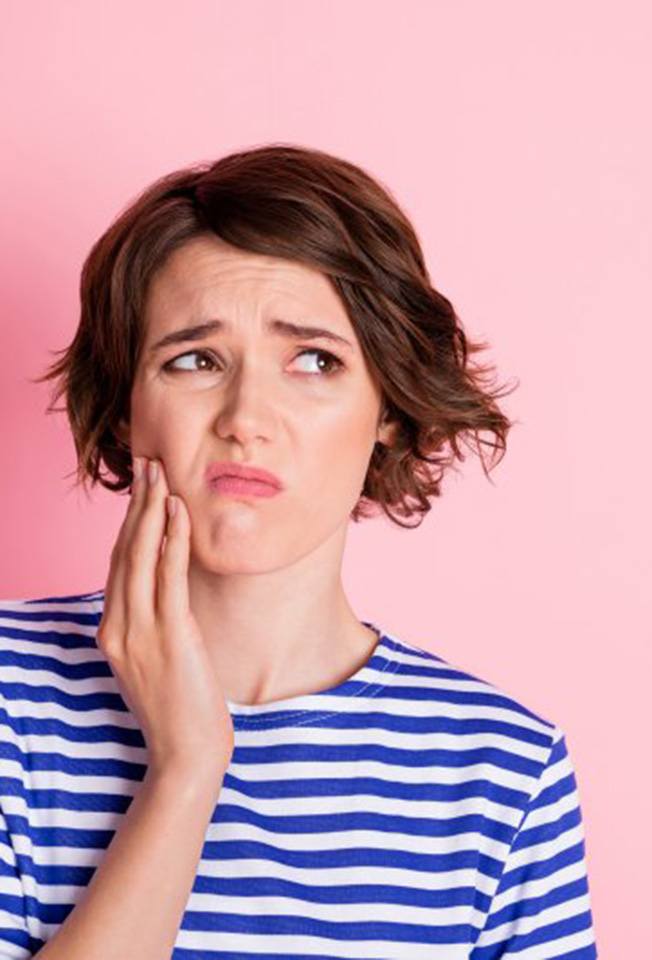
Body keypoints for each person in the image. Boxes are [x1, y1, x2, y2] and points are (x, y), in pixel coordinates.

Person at [0, 143, 598, 958]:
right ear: (126, 408)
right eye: (196, 360)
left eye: (314, 361)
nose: (248, 416)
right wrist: (186, 772)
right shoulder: (10, 695)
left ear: (388, 405)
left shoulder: (501, 772)